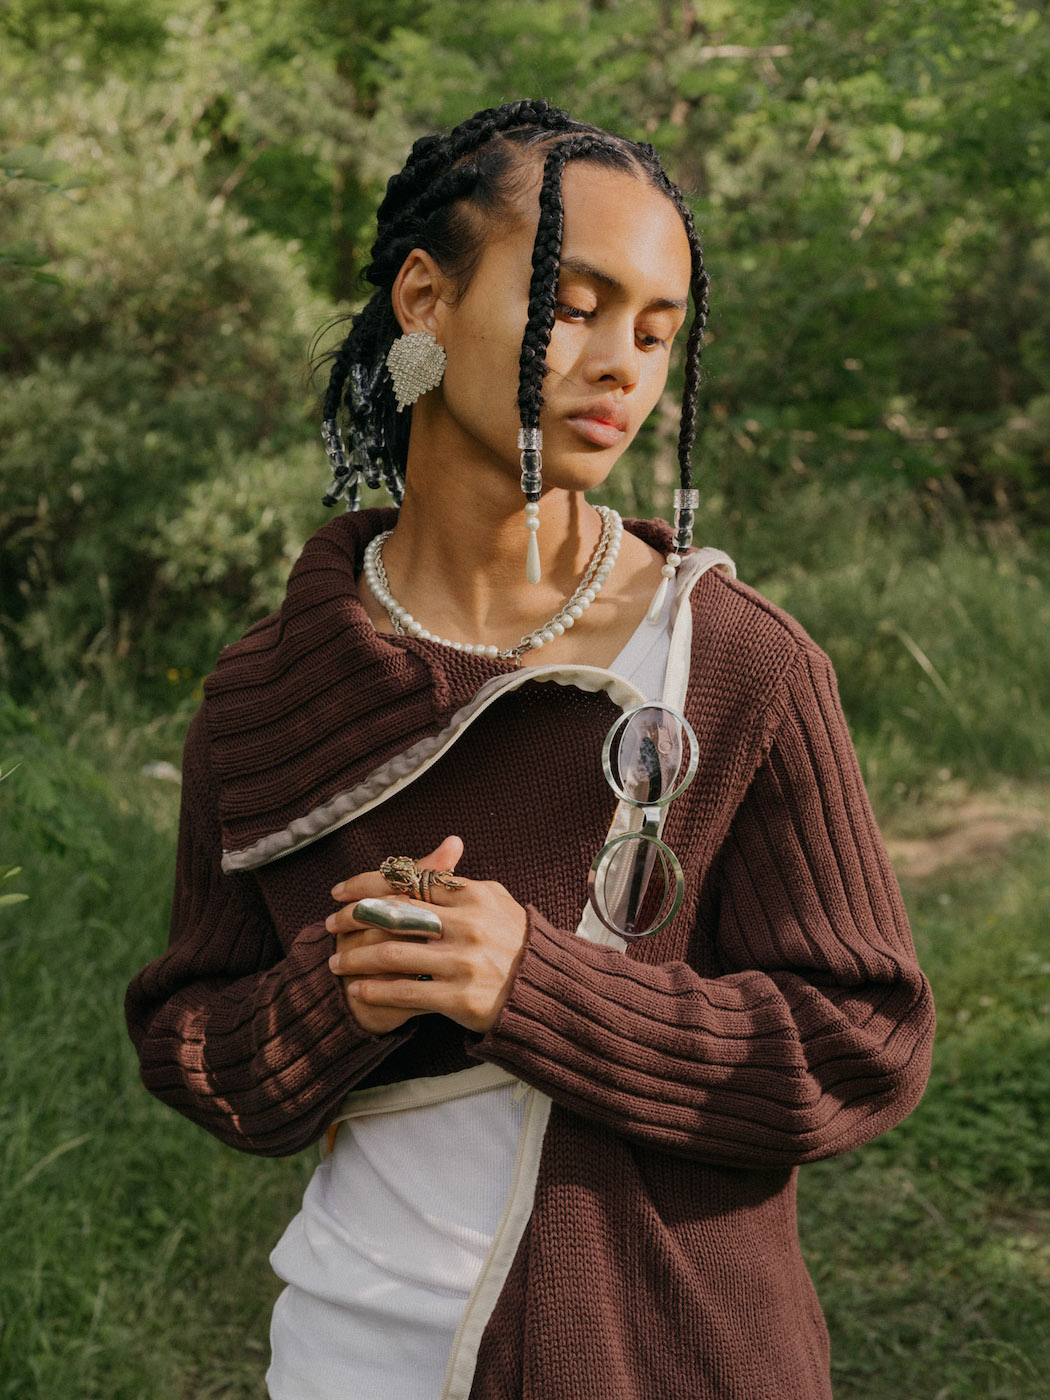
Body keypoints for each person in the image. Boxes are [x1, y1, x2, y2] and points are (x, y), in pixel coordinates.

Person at [125, 98, 935, 1400]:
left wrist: (533, 985)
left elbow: (860, 1044)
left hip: (658, 1353)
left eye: (656, 332)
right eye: (574, 305)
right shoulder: (267, 692)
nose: (622, 366)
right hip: (353, 1352)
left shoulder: (734, 662)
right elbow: (195, 1047)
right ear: (425, 299)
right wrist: (339, 993)